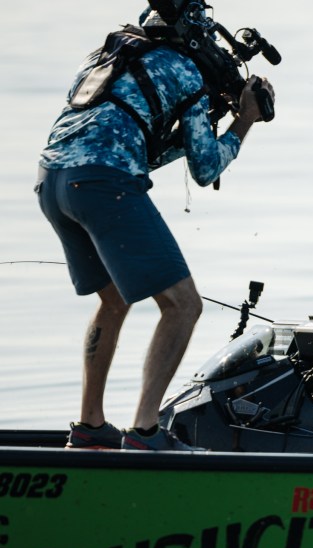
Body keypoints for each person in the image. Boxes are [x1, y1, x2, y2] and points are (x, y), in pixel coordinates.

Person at [36, 8, 275, 451]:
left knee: (112, 300)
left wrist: (189, 128)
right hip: (103, 183)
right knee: (183, 306)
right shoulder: (185, 70)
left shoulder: (104, 57)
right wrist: (244, 119)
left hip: (52, 184)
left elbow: (133, 143)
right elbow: (206, 169)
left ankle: (90, 427)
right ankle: (146, 432)